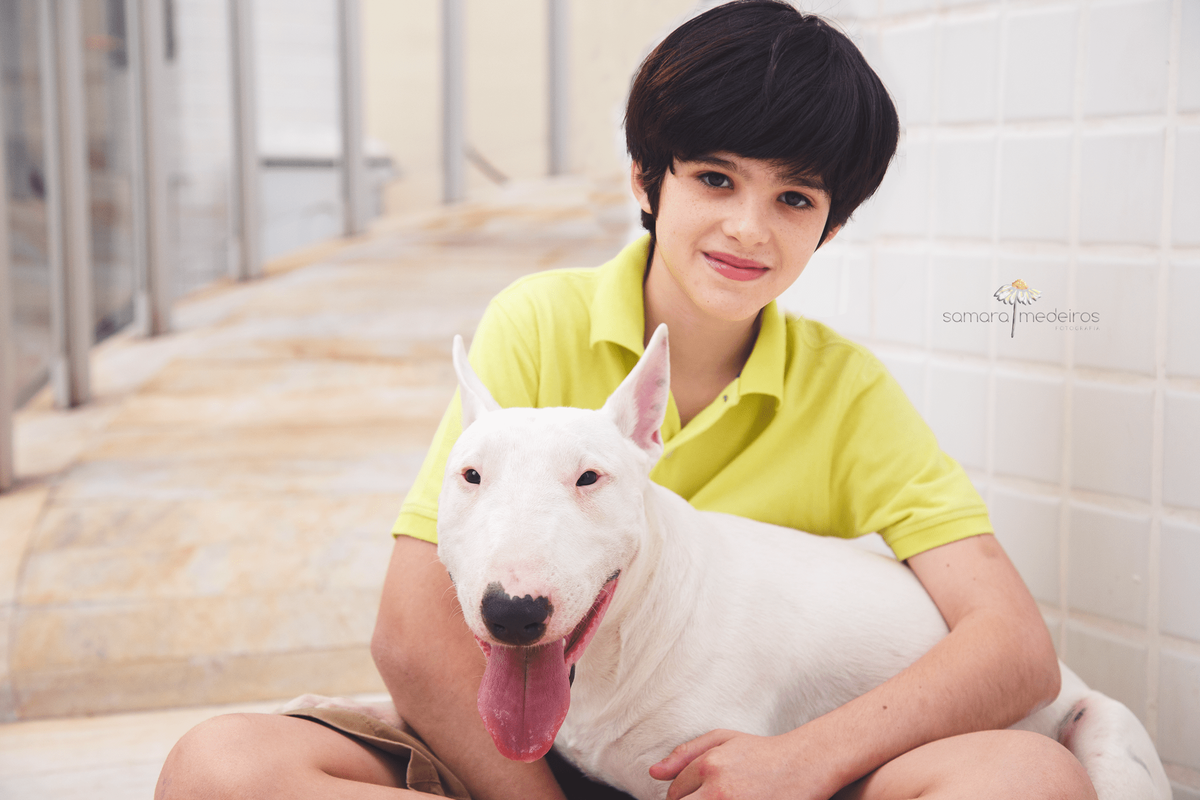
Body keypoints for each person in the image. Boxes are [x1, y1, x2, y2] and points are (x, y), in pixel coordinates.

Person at [156, 2, 1096, 799]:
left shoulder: (845, 390)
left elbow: (1014, 647)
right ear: (648, 179)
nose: (745, 228)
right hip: (525, 760)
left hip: (749, 771)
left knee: (1029, 779)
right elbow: (409, 632)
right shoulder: (540, 322)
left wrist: (798, 764)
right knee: (221, 766)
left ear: (833, 224)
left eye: (794, 200)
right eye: (716, 179)